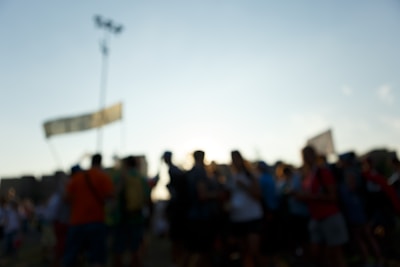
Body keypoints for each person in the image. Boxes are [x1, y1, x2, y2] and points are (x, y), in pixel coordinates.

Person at [296, 145, 348, 267]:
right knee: (320, 254)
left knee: (335, 255)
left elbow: (333, 196)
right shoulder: (308, 175)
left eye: (308, 155)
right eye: (304, 156)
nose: (306, 158)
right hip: (316, 217)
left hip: (330, 217)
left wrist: (310, 197)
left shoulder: (322, 172)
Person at [63, 154, 114, 267]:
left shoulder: (77, 178)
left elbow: (66, 198)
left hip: (76, 221)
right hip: (96, 221)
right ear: (101, 162)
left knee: (72, 256)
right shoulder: (103, 177)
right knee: (96, 257)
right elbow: (110, 196)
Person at [110, 155, 151, 267]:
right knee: (135, 248)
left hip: (121, 218)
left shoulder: (120, 177)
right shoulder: (141, 178)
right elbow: (147, 198)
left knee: (118, 249)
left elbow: (113, 195)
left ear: (126, 164)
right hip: (136, 217)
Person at [228, 150, 263, 267]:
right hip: (237, 218)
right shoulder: (231, 177)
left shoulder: (250, 175)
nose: (235, 161)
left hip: (252, 217)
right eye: (233, 158)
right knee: (243, 252)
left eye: (236, 158)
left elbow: (258, 194)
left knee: (254, 251)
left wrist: (244, 186)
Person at [162, 151, 188, 266]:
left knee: (177, 238)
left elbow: (176, 191)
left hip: (178, 208)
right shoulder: (176, 170)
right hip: (180, 207)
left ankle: (177, 260)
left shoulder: (172, 170)